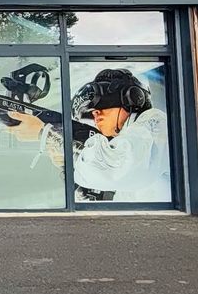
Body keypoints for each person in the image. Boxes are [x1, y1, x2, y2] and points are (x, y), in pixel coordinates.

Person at [69, 68, 172, 202]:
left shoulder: (156, 123)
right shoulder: (124, 145)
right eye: (92, 110)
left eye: (103, 103)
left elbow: (119, 171)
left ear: (133, 98)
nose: (95, 113)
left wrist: (51, 134)